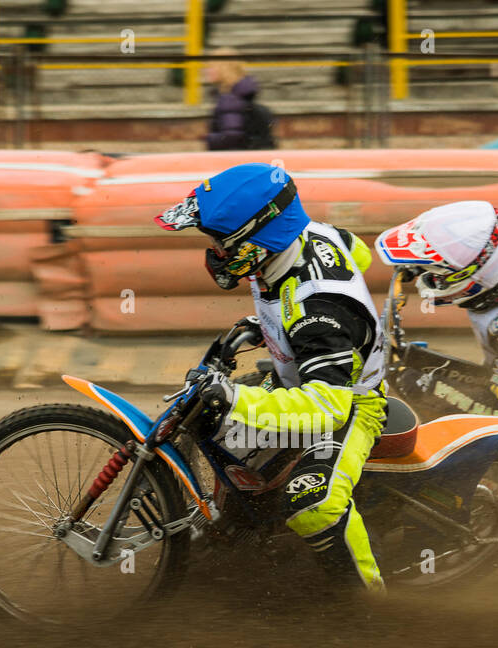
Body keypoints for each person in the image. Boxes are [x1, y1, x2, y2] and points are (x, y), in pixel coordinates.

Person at [155, 163, 387, 592]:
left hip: (347, 404)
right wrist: (266, 324)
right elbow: (361, 253)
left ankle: (366, 602)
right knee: (203, 419)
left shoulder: (318, 312)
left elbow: (327, 408)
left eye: (220, 242)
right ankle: (245, 524)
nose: (214, 252)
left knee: (311, 505)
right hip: (302, 375)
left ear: (257, 239)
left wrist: (236, 399)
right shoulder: (304, 234)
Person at [374, 200, 498, 430]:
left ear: (477, 274)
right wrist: (422, 261)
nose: (432, 277)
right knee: (410, 361)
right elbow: (477, 238)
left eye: (438, 271)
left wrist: (408, 381)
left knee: (414, 383)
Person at [204, 50, 276, 151]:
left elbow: (231, 138)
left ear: (223, 69)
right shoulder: (239, 95)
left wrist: (209, 139)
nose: (207, 71)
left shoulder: (230, 100)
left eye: (211, 67)